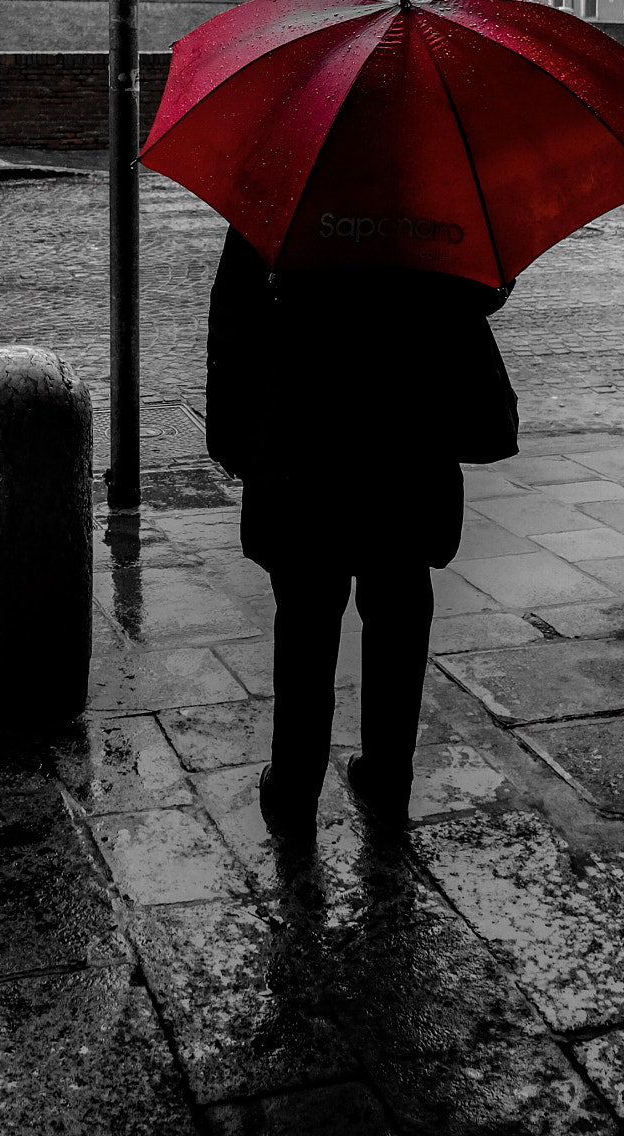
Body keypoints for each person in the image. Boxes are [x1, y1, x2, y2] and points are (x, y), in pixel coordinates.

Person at [205, 226, 518, 837]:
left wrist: (234, 440)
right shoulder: (430, 188)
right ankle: (386, 779)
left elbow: (235, 317)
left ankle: (294, 789)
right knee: (399, 603)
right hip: (407, 437)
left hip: (305, 438)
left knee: (306, 614)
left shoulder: (281, 192)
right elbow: (469, 300)